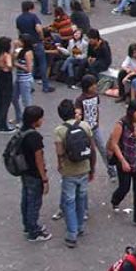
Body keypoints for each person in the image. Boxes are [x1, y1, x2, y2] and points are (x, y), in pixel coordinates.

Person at [54, 99, 95, 248]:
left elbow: (59, 152)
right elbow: (92, 148)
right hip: (84, 168)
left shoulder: (59, 130)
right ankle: (80, 227)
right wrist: (92, 168)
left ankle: (72, 234)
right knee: (81, 198)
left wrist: (60, 165)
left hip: (69, 171)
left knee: (69, 202)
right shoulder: (84, 125)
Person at [110, 100, 136, 225]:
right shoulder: (121, 124)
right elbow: (114, 144)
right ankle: (115, 200)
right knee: (124, 187)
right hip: (126, 161)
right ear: (131, 111)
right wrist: (122, 161)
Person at [17, 105, 52, 241]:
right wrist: (44, 178)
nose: (42, 120)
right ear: (35, 120)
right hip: (34, 174)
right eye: (41, 118)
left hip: (25, 172)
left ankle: (27, 225)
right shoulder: (35, 137)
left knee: (26, 199)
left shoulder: (22, 132)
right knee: (34, 203)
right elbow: (39, 159)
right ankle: (34, 231)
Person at [16, 1, 55, 93]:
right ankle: (45, 86)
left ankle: (30, 86)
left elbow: (19, 32)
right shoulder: (33, 17)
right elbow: (38, 29)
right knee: (42, 64)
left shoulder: (19, 18)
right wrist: (41, 38)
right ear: (31, 8)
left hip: (26, 45)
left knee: (30, 64)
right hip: (36, 43)